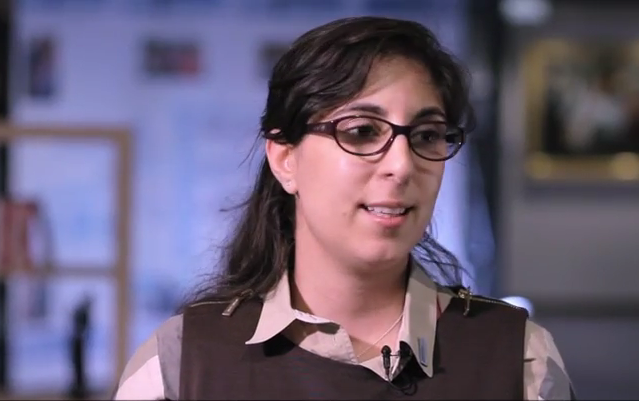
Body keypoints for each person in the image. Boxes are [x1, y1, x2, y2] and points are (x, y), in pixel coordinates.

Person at [114, 16, 574, 400]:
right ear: (285, 159)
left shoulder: (518, 359)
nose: (401, 165)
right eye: (361, 132)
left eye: (427, 135)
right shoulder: (183, 364)